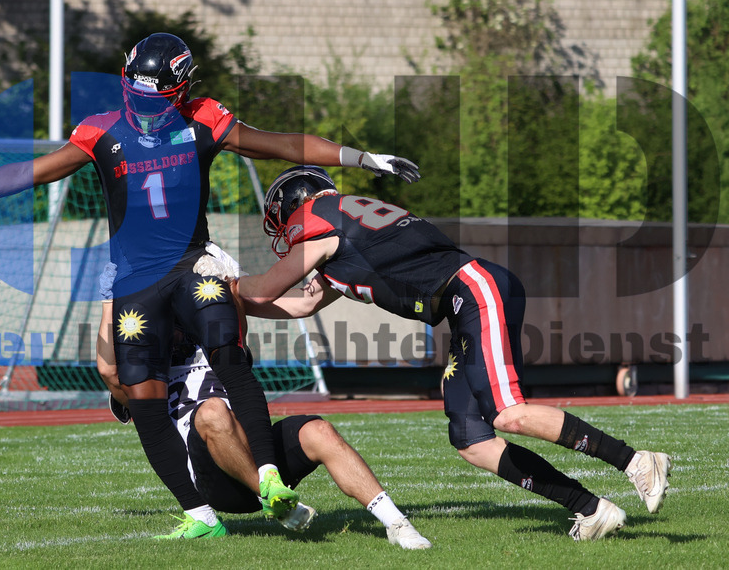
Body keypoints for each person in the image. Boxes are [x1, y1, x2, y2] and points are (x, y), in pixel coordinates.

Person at [0, 33, 420, 537]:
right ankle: (201, 511)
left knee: (229, 358)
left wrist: (361, 157)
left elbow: (280, 144)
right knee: (136, 391)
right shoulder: (102, 131)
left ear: (181, 89)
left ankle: (267, 477)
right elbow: (33, 173)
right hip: (134, 281)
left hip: (192, 267)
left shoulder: (204, 120)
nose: (146, 108)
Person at [231, 165, 672, 542]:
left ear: (295, 205)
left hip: (473, 290)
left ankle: (636, 461)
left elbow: (268, 286)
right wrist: (231, 304)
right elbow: (301, 304)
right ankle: (590, 509)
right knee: (471, 438)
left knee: (507, 413)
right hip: (463, 303)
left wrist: (222, 288)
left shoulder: (318, 221)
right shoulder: (341, 232)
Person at [97, 254, 432, 548]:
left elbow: (235, 329)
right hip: (212, 477)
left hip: (256, 454)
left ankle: (398, 525)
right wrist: (110, 303)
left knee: (320, 430)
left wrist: (227, 284)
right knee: (212, 412)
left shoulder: (216, 343)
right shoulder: (143, 371)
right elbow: (110, 372)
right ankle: (272, 498)